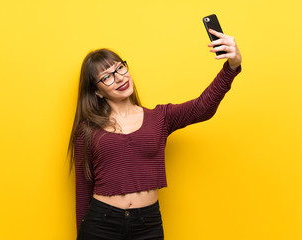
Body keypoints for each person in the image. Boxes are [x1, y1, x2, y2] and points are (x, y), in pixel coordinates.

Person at [68, 28, 242, 240]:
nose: (119, 78)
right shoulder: (87, 130)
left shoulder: (160, 117)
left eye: (120, 68)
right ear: (97, 91)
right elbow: (83, 190)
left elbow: (202, 107)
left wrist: (231, 67)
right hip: (101, 224)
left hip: (147, 224)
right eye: (107, 77)